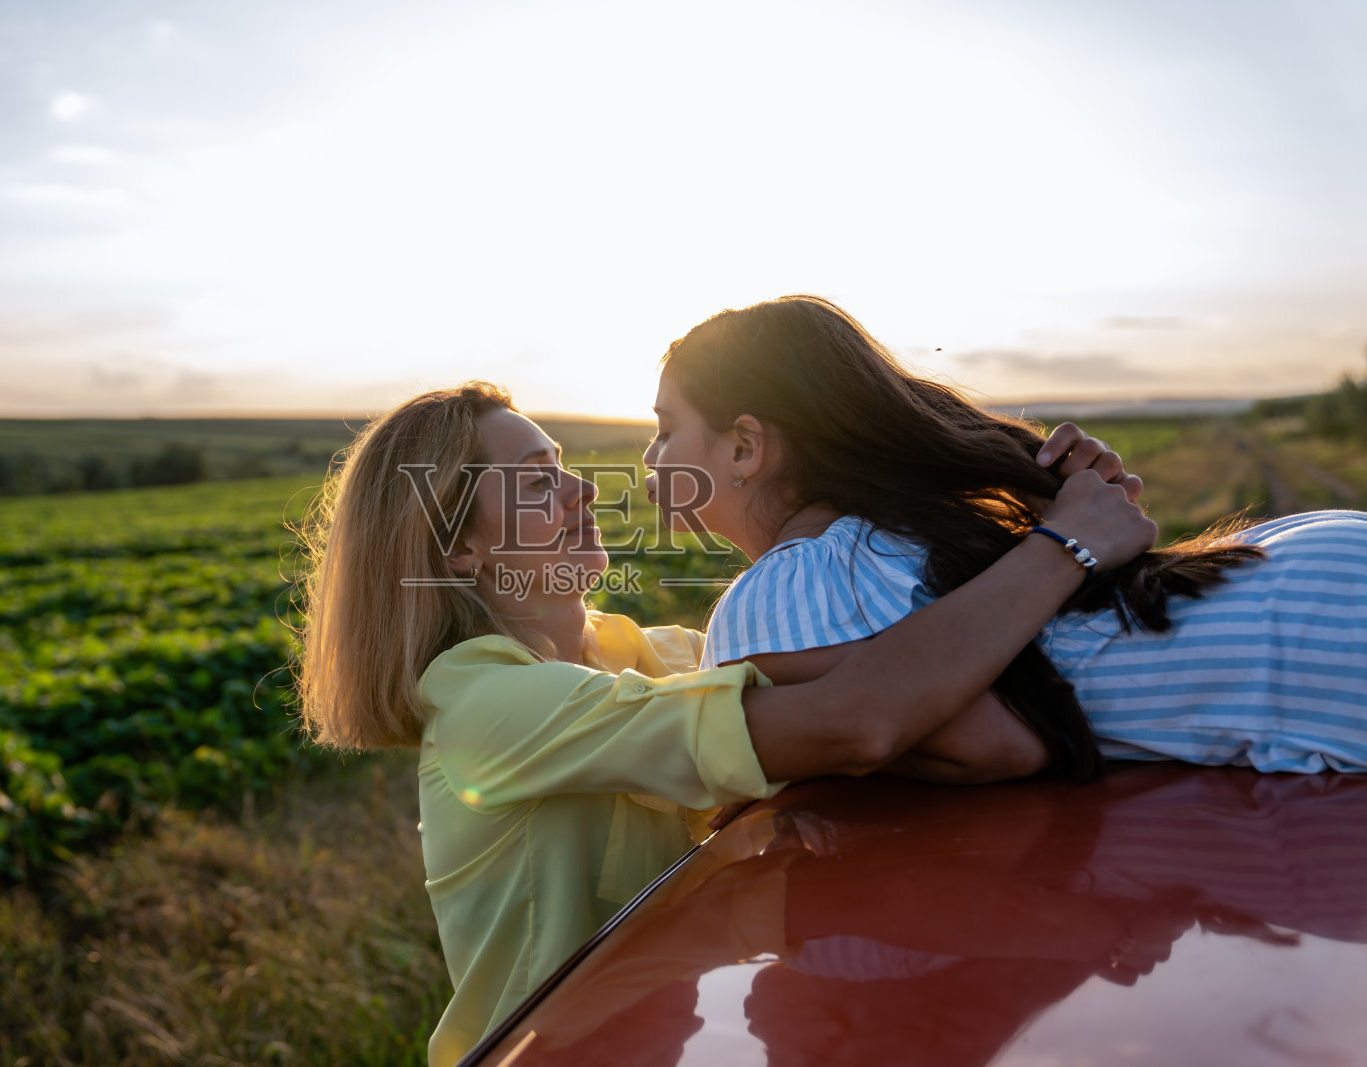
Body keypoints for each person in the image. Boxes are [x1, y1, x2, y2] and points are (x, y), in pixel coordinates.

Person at [292, 382, 1154, 1066]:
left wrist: (1031, 488)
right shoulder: (484, 702)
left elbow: (898, 668)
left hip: (673, 1043)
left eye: (563, 464)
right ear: (458, 549)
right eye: (537, 480)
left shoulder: (655, 654)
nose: (583, 488)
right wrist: (1067, 544)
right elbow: (862, 714)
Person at [644, 295, 1367, 781]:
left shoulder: (770, 598)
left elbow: (1003, 740)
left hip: (1303, 658)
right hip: (1297, 587)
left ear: (744, 448)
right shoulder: (899, 527)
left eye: (666, 428)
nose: (649, 459)